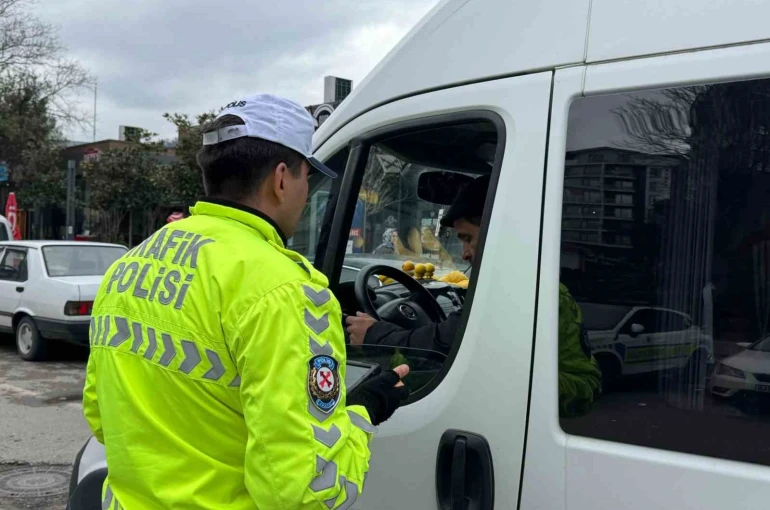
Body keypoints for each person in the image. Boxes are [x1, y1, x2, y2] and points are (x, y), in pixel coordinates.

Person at [83, 94, 410, 510]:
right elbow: (304, 491)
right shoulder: (286, 290)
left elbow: (101, 415)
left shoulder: (130, 266)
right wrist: (362, 414)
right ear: (280, 179)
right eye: (307, 178)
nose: (306, 192)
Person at [346, 174, 601, 417]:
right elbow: (446, 341)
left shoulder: (535, 297)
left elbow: (438, 361)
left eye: (468, 239)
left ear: (498, 232)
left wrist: (377, 338)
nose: (465, 253)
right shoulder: (500, 291)